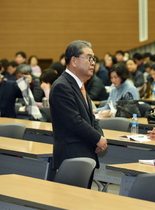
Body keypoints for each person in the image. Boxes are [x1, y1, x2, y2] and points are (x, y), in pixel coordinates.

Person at [49, 40, 108, 182]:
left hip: (84, 153)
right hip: (71, 156)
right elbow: (74, 120)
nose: (93, 62)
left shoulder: (78, 85)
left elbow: (91, 117)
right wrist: (97, 139)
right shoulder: (62, 86)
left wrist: (99, 137)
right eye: (89, 58)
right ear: (74, 61)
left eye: (93, 58)